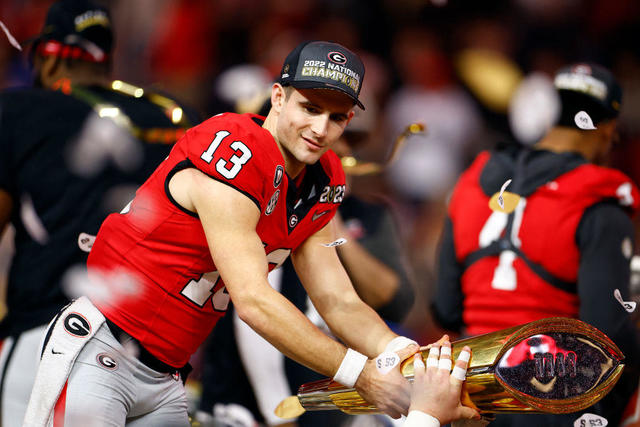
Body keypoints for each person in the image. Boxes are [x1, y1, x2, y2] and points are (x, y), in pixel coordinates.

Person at [25, 40, 431, 427]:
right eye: (309, 108)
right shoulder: (238, 149)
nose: (320, 129)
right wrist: (360, 374)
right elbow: (253, 300)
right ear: (277, 98)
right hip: (103, 346)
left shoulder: (319, 181)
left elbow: (338, 300)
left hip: (166, 374)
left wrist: (398, 350)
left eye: (337, 117)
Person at [0, 0, 197, 425]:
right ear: (106, 58)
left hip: (47, 334)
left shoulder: (18, 111)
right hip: (152, 357)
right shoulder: (176, 118)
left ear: (47, 57)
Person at [432, 62, 640, 426]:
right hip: (551, 397)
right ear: (606, 130)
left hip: (469, 395)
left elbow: (445, 308)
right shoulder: (598, 197)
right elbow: (604, 334)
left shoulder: (472, 179)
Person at [196, 107, 416, 426]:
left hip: (329, 402)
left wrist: (333, 222)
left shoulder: (365, 214)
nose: (339, 155)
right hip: (249, 403)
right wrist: (276, 411)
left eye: (345, 146)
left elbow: (390, 302)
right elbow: (254, 311)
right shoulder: (256, 204)